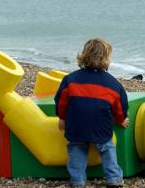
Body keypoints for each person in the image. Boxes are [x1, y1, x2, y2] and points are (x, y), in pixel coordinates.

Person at [55, 38, 129, 188]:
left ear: (84, 55)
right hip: (100, 125)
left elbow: (61, 101)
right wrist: (120, 120)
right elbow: (120, 107)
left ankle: (78, 181)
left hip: (76, 124)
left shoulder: (70, 80)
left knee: (76, 149)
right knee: (107, 149)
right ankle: (114, 178)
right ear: (107, 59)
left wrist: (62, 118)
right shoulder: (114, 85)